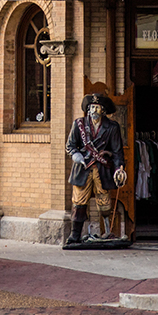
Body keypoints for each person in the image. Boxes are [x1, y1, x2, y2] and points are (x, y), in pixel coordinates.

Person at [65, 93, 127, 246]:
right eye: (92, 107)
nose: (94, 110)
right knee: (79, 203)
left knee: (104, 203)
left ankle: (107, 232)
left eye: (97, 107)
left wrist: (119, 169)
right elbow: (70, 146)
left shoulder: (112, 127)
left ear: (103, 110)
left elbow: (118, 151)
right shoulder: (78, 124)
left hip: (102, 170)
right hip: (83, 169)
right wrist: (76, 155)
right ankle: (75, 236)